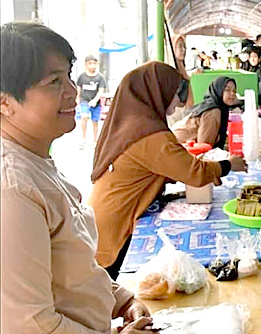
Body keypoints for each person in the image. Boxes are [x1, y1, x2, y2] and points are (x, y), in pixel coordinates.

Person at [1, 22, 154, 334]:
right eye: (54, 82)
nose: (72, 92)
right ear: (5, 102)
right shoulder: (12, 190)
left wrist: (123, 301)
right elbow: (28, 324)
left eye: (68, 77)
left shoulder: (36, 162)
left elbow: (75, 272)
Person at [88, 62, 247, 279]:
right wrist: (229, 165)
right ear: (156, 91)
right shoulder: (148, 134)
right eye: (174, 91)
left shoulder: (132, 125)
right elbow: (195, 173)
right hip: (115, 226)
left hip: (105, 217)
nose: (178, 101)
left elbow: (162, 167)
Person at [172, 77, 242, 147]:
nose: (232, 93)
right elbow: (204, 146)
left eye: (234, 90)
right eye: (227, 90)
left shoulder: (216, 107)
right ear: (218, 90)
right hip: (175, 147)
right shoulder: (213, 111)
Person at [76, 54, 107, 149]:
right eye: (90, 63)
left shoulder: (100, 78)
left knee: (95, 121)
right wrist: (77, 99)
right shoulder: (82, 77)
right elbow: (79, 88)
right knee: (84, 117)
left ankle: (95, 140)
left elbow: (101, 90)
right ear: (86, 65)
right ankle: (83, 138)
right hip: (84, 100)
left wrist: (95, 100)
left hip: (95, 103)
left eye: (94, 63)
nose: (92, 65)